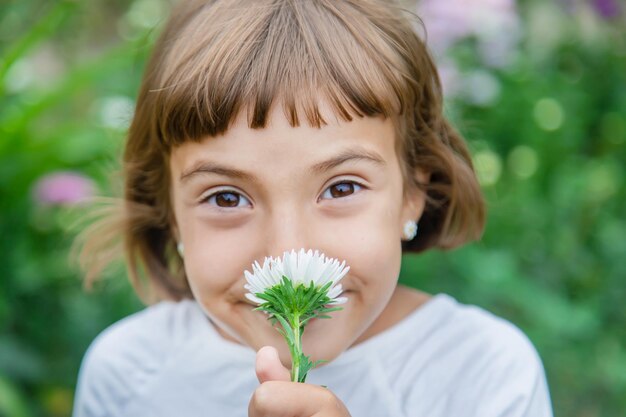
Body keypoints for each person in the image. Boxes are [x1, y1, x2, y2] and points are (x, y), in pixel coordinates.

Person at [72, 0, 554, 416]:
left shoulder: (484, 375)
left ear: (413, 190)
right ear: (169, 213)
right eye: (226, 198)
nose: (287, 256)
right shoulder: (129, 374)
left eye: (341, 189)